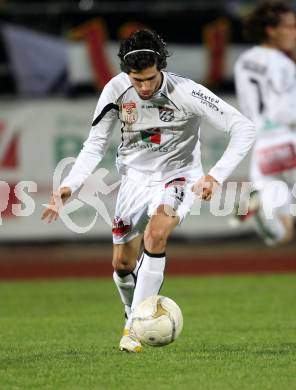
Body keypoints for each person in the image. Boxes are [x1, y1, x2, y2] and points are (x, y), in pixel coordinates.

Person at [42, 29, 255, 352]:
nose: (143, 87)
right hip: (134, 182)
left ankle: (132, 330)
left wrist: (215, 176)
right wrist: (71, 184)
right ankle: (134, 311)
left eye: (150, 79)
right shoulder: (116, 89)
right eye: (137, 79)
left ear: (161, 67)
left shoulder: (186, 92)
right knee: (122, 265)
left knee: (156, 235)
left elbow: (243, 127)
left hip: (178, 178)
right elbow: (94, 144)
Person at [234, 1, 296, 246]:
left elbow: (249, 109)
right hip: (288, 139)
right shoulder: (285, 65)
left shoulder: (243, 62)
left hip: (262, 147)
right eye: (290, 27)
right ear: (271, 30)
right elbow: (287, 111)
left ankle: (261, 214)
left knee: (282, 231)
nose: (294, 32)